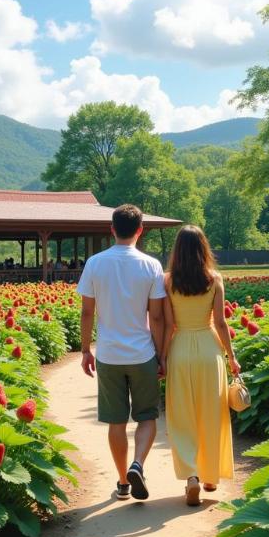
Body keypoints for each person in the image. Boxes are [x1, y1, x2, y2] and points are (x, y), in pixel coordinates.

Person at [78, 204, 166, 501]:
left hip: (108, 354)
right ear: (140, 230)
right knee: (146, 417)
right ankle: (138, 464)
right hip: (142, 354)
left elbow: (87, 312)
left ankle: (122, 483)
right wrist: (161, 354)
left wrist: (85, 350)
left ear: (112, 229)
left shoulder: (95, 263)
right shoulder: (151, 265)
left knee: (116, 422)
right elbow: (156, 317)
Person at [162, 225, 240, 507]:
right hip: (209, 350)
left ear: (177, 251)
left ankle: (192, 476)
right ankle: (210, 476)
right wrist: (232, 357)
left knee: (183, 416)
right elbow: (220, 322)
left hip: (180, 348)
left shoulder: (168, 281)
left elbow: (169, 325)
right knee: (212, 413)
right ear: (203, 248)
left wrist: (161, 357)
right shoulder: (215, 278)